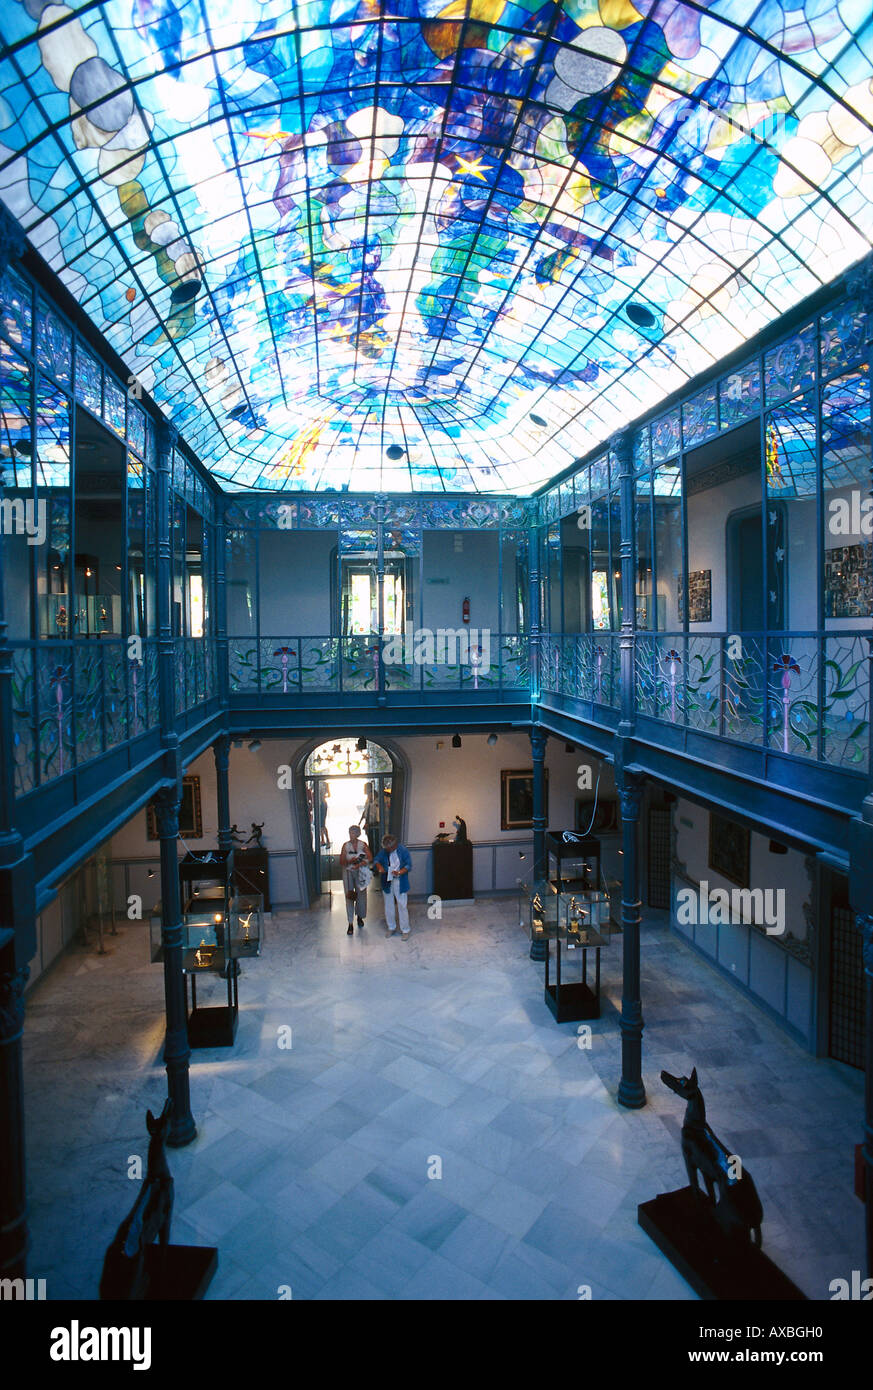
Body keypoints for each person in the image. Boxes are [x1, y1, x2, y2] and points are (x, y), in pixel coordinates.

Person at [373, 833, 412, 940]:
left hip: (400, 881)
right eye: (386, 848)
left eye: (390, 848)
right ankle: (391, 927)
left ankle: (405, 930)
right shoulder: (384, 851)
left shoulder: (403, 850)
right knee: (388, 905)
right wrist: (380, 867)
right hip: (387, 881)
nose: (388, 850)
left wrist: (399, 872)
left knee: (402, 905)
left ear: (394, 845)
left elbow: (409, 865)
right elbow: (376, 860)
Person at [340, 825, 372, 935]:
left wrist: (361, 863)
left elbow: (370, 858)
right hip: (348, 873)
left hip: (360, 872)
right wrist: (350, 861)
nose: (351, 835)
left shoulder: (363, 845)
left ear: (357, 834)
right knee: (350, 896)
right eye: (350, 833)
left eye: (353, 833)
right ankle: (350, 923)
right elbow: (341, 861)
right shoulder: (345, 845)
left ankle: (360, 916)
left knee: (361, 895)